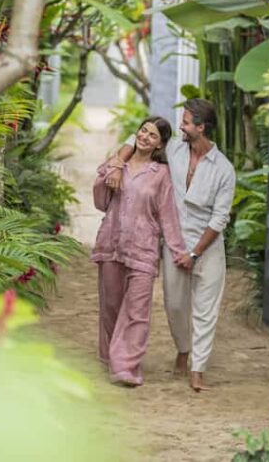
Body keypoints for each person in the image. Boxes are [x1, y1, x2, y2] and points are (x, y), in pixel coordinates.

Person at [104, 99, 235, 392]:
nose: (181, 126)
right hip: (175, 242)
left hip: (208, 246)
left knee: (205, 310)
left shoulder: (224, 169)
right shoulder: (173, 149)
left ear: (201, 127)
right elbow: (133, 140)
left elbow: (220, 218)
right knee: (175, 305)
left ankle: (198, 370)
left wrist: (196, 253)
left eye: (186, 122)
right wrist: (117, 162)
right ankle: (183, 349)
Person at [92, 116, 191, 387]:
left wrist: (178, 250)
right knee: (110, 306)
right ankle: (111, 354)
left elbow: (168, 215)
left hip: (144, 249)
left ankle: (126, 365)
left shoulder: (160, 175)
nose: (145, 137)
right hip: (111, 243)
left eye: (153, 136)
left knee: (138, 310)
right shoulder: (117, 164)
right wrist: (109, 172)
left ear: (160, 145)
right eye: (143, 131)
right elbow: (100, 202)